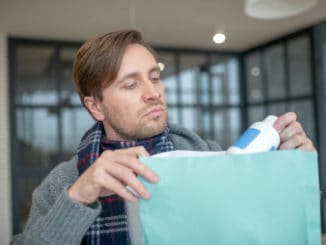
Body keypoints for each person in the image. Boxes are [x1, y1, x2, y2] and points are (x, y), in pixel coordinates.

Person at [11, 30, 316, 245]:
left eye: (154, 77)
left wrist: (291, 175)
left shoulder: (211, 157)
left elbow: (265, 229)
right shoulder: (61, 185)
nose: (153, 93)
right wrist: (78, 198)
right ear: (95, 106)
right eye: (131, 85)